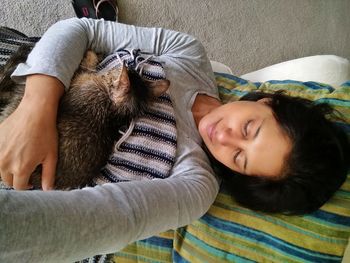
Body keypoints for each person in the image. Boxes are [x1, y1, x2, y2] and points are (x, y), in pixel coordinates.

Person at [0, 17, 348, 261]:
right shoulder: (189, 56)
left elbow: (111, 217)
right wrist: (34, 110)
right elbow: (80, 29)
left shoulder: (195, 186)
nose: (224, 138)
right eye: (249, 129)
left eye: (240, 158)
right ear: (268, 102)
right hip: (31, 77)